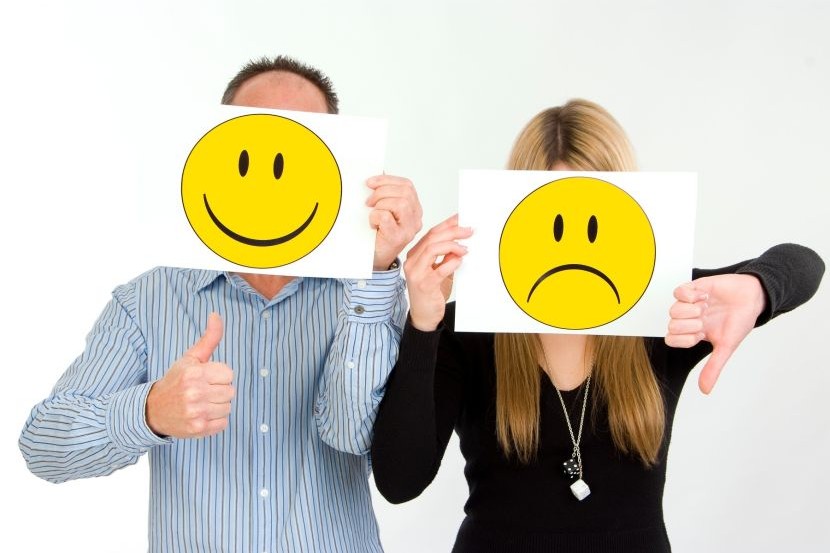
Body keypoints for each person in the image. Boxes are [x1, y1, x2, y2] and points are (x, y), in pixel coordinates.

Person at [369, 99, 824, 552]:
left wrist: (757, 288)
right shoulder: (464, 329)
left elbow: (805, 263)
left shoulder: (670, 309)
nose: (573, 248)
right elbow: (399, 481)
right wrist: (423, 324)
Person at [19, 56, 422, 553]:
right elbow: (43, 447)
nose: (271, 173)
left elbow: (355, 438)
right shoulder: (148, 300)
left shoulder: (367, 295)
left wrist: (375, 270)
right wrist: (149, 411)